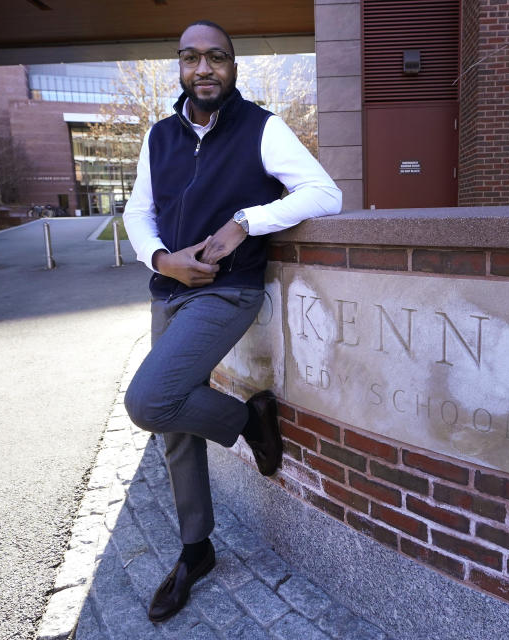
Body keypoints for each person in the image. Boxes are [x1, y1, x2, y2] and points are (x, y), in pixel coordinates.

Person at [122, 20, 341, 623]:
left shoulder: (262, 128)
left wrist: (247, 220)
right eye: (191, 58)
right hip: (168, 287)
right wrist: (163, 258)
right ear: (180, 68)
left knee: (148, 401)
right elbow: (137, 214)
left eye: (216, 57)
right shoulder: (160, 136)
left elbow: (325, 194)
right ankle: (197, 550)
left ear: (233, 67)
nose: (204, 69)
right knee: (173, 428)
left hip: (227, 291)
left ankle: (247, 418)